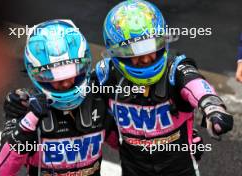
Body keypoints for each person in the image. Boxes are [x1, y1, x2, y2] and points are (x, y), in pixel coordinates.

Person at [95, 0, 234, 175]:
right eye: (133, 52)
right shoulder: (106, 75)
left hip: (180, 170)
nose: (146, 59)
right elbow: (86, 105)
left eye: (151, 46)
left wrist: (213, 107)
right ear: (116, 52)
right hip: (133, 170)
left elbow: (194, 81)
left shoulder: (175, 68)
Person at [0, 19, 117, 176]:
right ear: (36, 74)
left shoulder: (98, 98)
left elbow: (127, 145)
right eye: (53, 75)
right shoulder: (24, 106)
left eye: (71, 71)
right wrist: (29, 122)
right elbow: (4, 170)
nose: (66, 83)